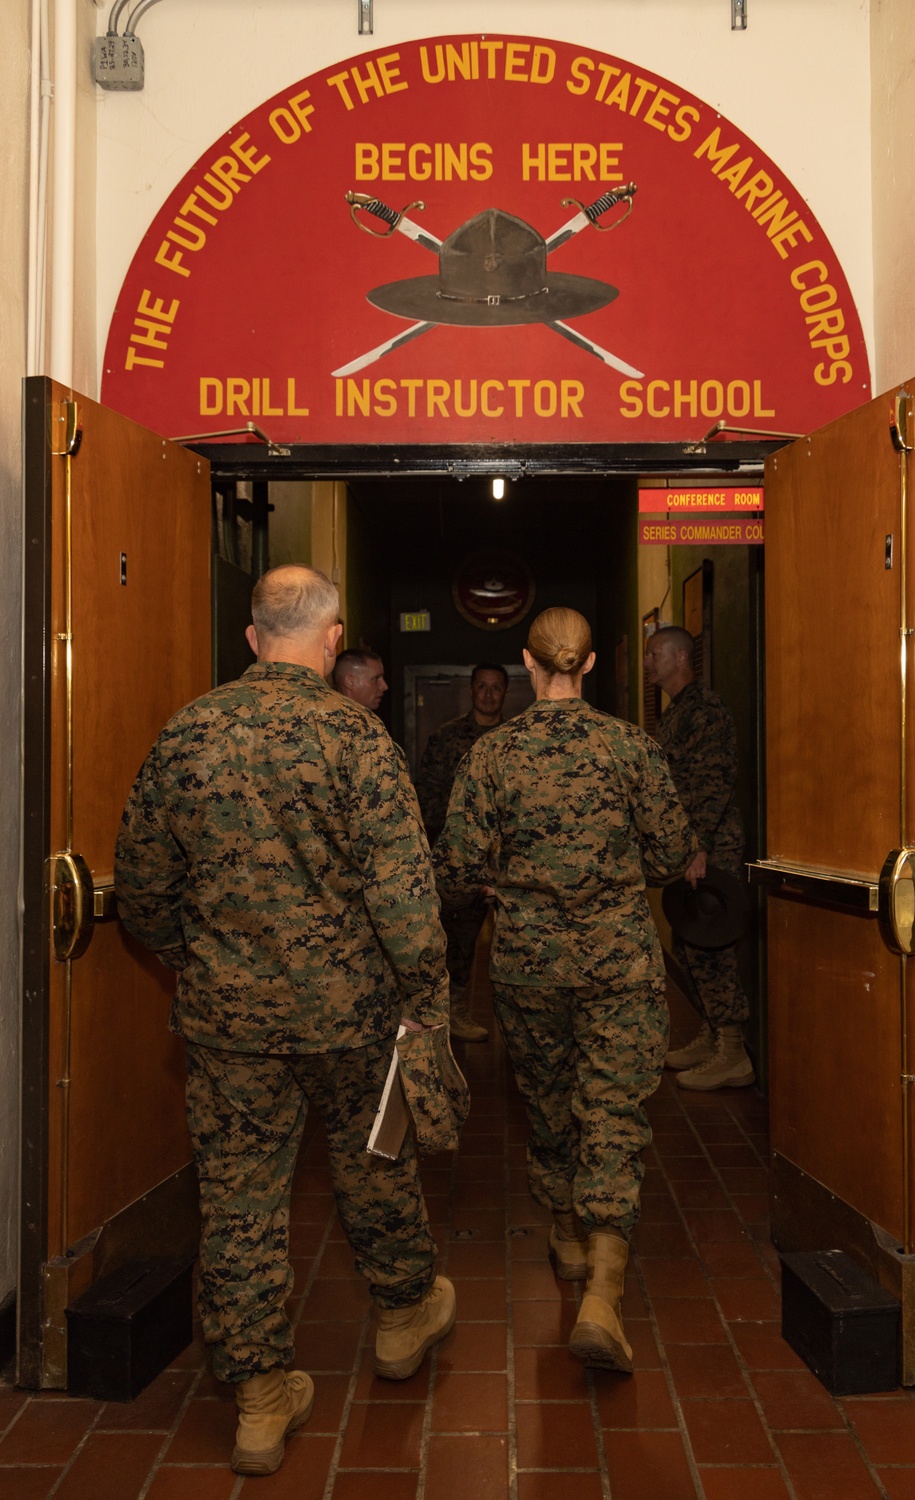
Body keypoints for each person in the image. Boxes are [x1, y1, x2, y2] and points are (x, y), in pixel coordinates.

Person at [115, 565, 456, 1478]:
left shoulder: (189, 733)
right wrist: (425, 997)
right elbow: (407, 905)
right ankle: (400, 1320)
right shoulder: (359, 738)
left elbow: (141, 891)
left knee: (239, 1200)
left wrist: (200, 963)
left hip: (231, 1023)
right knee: (375, 1164)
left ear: (252, 635)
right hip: (350, 1015)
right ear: (334, 637)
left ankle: (260, 1400)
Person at [433, 609, 698, 1374]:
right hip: (619, 964)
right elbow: (675, 851)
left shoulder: (492, 755)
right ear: (586, 666)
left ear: (528, 662)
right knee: (612, 1114)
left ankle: (566, 1233)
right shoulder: (630, 745)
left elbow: (454, 869)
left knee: (548, 1102)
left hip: (526, 965)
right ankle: (605, 1295)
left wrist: (496, 884)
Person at [644, 625, 755, 1090]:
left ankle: (733, 1053)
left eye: (654, 654)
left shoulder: (705, 710)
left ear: (679, 658)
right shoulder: (676, 712)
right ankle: (712, 1036)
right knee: (690, 944)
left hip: (708, 849)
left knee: (711, 946)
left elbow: (713, 781)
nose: (648, 662)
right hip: (687, 846)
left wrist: (699, 846)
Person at [416, 663, 509, 1043]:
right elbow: (429, 797)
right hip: (462, 859)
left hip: (509, 864)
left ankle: (516, 1022)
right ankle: (455, 1012)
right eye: (482, 687)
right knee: (458, 944)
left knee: (517, 947)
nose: (488, 695)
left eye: (496, 688)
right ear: (471, 690)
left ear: (505, 692)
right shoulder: (447, 738)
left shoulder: (513, 740)